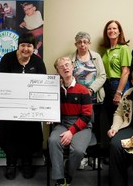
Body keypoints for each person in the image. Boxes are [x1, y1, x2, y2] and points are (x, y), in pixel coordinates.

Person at [0, 32, 46, 180]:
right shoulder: (7, 59)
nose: (25, 49)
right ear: (18, 46)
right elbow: (0, 83)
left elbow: (43, 85)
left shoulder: (37, 62)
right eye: (23, 45)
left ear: (34, 48)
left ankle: (27, 163)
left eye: (29, 46)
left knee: (29, 134)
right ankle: (11, 163)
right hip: (9, 105)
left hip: (30, 107)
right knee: (9, 133)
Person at [49, 56, 92, 186]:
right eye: (61, 66)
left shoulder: (83, 90)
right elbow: (50, 108)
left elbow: (86, 116)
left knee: (78, 151)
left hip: (82, 124)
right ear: (58, 72)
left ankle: (69, 175)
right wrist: (49, 116)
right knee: (53, 141)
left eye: (67, 64)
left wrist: (71, 132)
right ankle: (59, 179)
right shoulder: (53, 90)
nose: (65, 68)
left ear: (73, 67)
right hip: (62, 123)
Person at [70, 31, 106, 169]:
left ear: (89, 43)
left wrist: (90, 90)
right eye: (79, 42)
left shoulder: (96, 57)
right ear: (76, 44)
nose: (82, 44)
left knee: (95, 129)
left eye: (85, 42)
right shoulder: (71, 58)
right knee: (80, 127)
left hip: (94, 98)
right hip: (77, 100)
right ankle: (82, 156)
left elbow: (102, 76)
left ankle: (94, 157)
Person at [101, 20, 132, 127]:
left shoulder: (124, 48)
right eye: (109, 28)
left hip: (119, 85)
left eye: (114, 28)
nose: (111, 30)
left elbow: (126, 72)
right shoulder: (106, 50)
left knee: (120, 117)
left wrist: (119, 93)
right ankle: (112, 142)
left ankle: (120, 142)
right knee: (110, 117)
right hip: (106, 85)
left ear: (119, 32)